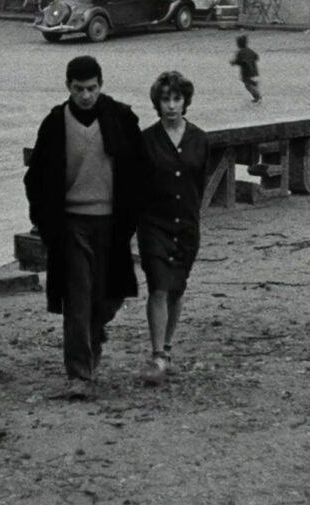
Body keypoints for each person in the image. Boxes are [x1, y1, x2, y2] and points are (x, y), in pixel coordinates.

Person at [24, 55, 146, 398]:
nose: (86, 96)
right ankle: (79, 374)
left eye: (92, 88)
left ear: (101, 85)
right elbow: (36, 177)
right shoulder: (54, 123)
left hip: (113, 223)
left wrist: (133, 216)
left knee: (110, 296)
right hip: (71, 223)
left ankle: (95, 332)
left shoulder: (121, 118)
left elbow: (139, 170)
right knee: (77, 297)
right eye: (79, 89)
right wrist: (44, 221)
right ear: (68, 88)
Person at [137, 71, 210, 384]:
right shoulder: (146, 140)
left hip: (187, 225)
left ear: (185, 101)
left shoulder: (200, 139)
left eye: (176, 98)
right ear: (157, 102)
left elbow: (200, 182)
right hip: (154, 224)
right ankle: (157, 356)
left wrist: (193, 216)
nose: (171, 105)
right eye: (165, 99)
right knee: (158, 286)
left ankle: (168, 348)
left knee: (177, 287)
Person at [230, 34, 262, 102]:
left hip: (246, 71)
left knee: (248, 85)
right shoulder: (250, 50)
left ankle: (257, 96)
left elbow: (238, 61)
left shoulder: (240, 52)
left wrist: (233, 62)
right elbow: (256, 57)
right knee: (251, 83)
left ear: (239, 44)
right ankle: (256, 94)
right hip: (254, 70)